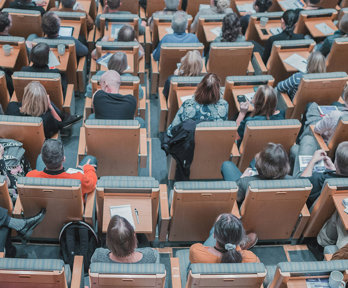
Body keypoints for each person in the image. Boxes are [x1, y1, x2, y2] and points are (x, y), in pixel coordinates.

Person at [221, 143, 292, 205]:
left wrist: (243, 178)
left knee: (227, 165)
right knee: (253, 161)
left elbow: (234, 199)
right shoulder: (292, 182)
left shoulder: (244, 183)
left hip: (248, 208)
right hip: (275, 209)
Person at [26, 139, 98, 198]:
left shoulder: (30, 177)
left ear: (43, 159)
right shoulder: (79, 179)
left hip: (45, 213)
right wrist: (88, 168)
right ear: (63, 159)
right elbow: (93, 183)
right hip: (71, 213)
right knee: (90, 159)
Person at [189, 214, 259, 263]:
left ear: (214, 236)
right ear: (240, 238)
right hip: (237, 283)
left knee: (221, 218)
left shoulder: (196, 251)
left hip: (204, 283)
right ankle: (239, 245)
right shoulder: (251, 259)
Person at [91, 215, 159, 263]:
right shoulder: (152, 255)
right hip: (139, 283)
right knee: (142, 235)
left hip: (110, 283)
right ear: (134, 236)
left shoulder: (98, 256)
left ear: (108, 239)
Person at [300, 141, 348, 207]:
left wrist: (313, 161)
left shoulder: (321, 179)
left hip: (307, 203)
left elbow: (302, 185)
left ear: (335, 161)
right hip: (330, 210)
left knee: (308, 140)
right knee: (294, 149)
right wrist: (334, 170)